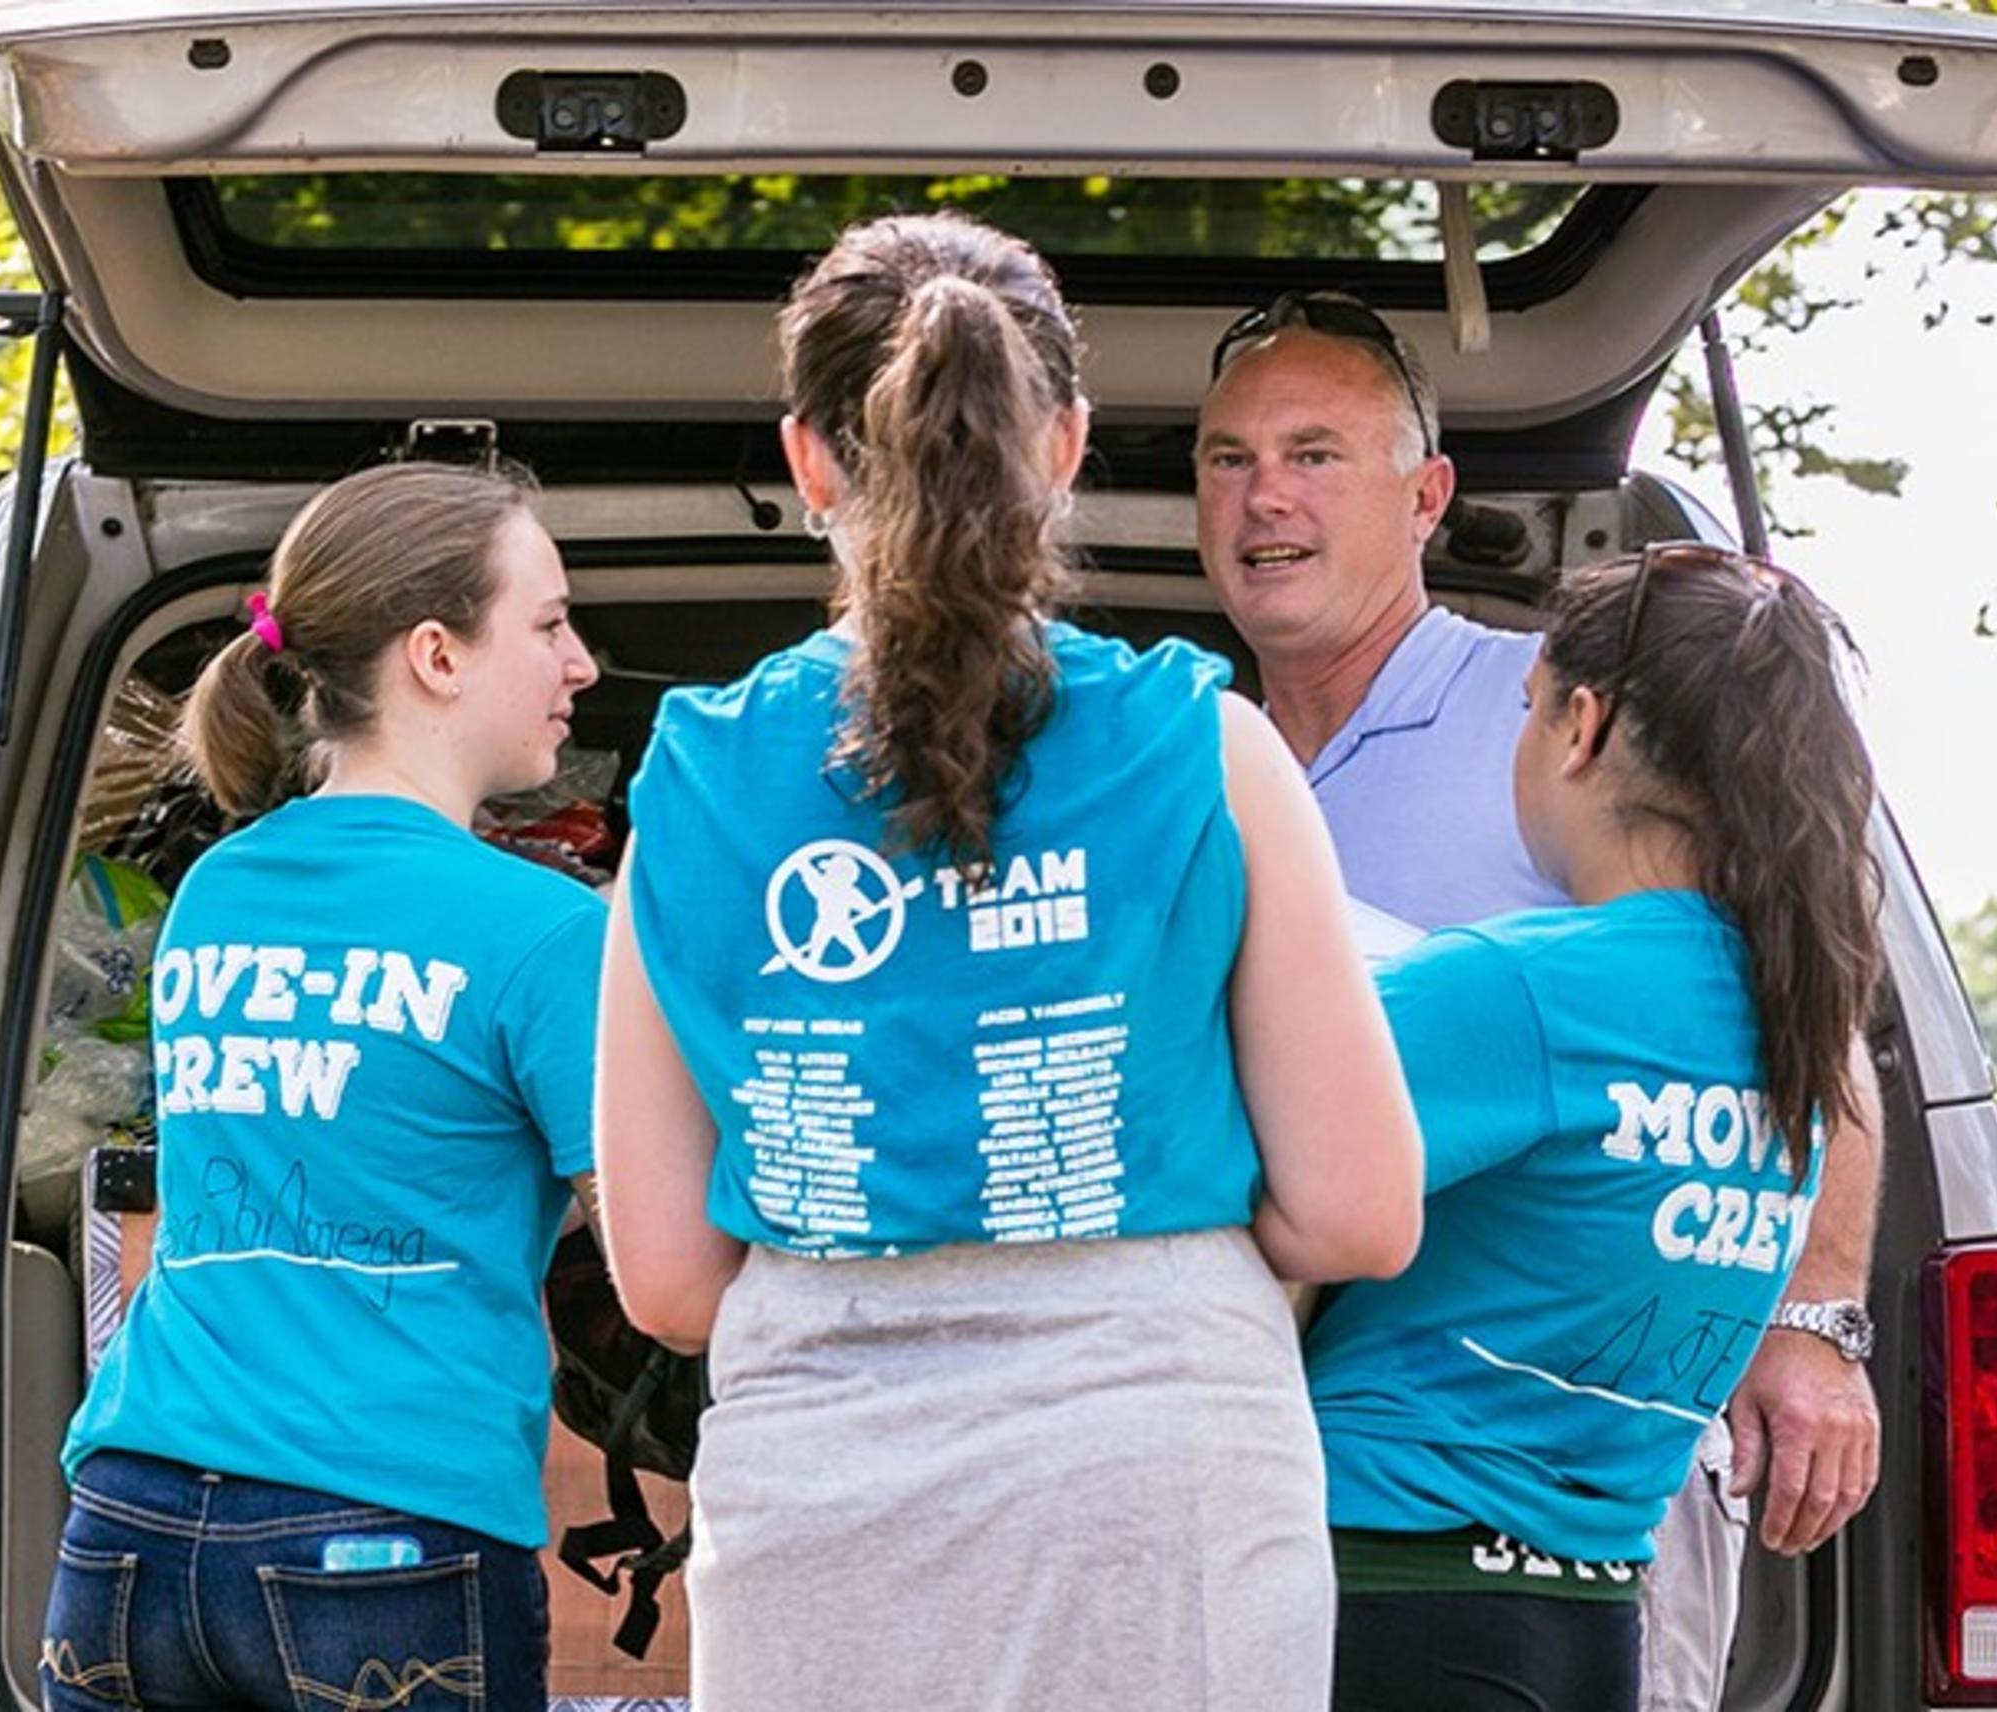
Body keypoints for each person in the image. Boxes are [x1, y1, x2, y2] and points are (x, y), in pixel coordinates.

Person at [593, 213, 1424, 1712]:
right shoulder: (1211, 752)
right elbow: (1360, 1215)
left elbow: (662, 1280)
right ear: (1067, 449)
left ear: (807, 459)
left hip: (815, 1499)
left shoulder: (693, 787)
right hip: (1159, 1486)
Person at [1194, 294, 1885, 1709]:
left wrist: (1807, 1325)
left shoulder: (1566, 713)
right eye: (1225, 457)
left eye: (1316, 451)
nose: (1265, 493)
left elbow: (1823, 1030)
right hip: (1474, 1534)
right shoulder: (1183, 753)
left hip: (1481, 1510)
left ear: (1427, 495)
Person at [42, 461, 604, 1712]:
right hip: (382, 1540)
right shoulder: (548, 929)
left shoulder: (218, 890)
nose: (582, 666)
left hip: (128, 1522)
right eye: (551, 623)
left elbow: (365, 1135)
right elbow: (654, 1247)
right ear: (436, 657)